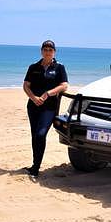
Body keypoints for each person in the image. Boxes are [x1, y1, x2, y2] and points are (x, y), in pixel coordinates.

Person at [22, 40, 69, 177]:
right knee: (34, 136)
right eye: (45, 49)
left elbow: (64, 85)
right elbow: (26, 85)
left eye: (50, 49)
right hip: (33, 106)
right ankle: (35, 166)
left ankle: (36, 166)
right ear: (41, 51)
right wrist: (33, 98)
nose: (47, 52)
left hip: (49, 107)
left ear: (54, 52)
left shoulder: (59, 67)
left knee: (41, 134)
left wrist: (48, 93)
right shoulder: (33, 67)